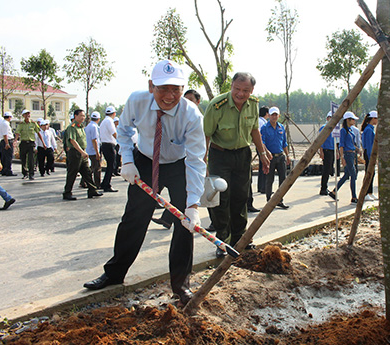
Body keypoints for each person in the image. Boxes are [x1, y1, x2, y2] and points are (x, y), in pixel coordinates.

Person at [83, 60, 206, 307]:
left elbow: (195, 161)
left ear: (183, 88)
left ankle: (181, 286)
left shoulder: (191, 114)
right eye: (163, 89)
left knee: (185, 224)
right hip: (145, 159)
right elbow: (125, 132)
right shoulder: (137, 101)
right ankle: (114, 273)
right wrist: (127, 161)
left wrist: (193, 204)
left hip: (178, 164)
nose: (170, 96)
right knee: (134, 219)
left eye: (176, 89)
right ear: (151, 86)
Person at [204, 72, 270, 258]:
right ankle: (222, 242)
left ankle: (240, 239)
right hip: (220, 155)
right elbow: (206, 135)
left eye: (245, 90)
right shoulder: (217, 106)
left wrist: (262, 153)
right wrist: (203, 161)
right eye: (237, 89)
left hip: (242, 154)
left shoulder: (253, 104)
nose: (240, 94)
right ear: (231, 86)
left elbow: (255, 130)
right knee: (221, 199)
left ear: (252, 91)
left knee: (241, 197)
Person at [151, 89, 203, 230]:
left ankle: (169, 219)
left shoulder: (195, 117)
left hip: (187, 162)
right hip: (157, 162)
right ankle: (167, 219)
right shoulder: (165, 112)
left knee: (185, 201)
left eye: (191, 100)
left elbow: (197, 155)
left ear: (198, 102)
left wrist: (193, 206)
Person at [62, 109, 103, 201]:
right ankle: (67, 192)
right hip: (75, 153)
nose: (83, 118)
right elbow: (73, 141)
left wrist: (84, 152)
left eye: (84, 116)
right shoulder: (72, 127)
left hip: (82, 153)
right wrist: (82, 152)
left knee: (87, 172)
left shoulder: (81, 127)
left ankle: (92, 190)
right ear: (75, 116)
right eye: (81, 115)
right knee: (72, 173)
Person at [261, 106, 291, 209]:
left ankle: (279, 200)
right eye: (272, 115)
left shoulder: (281, 127)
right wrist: (267, 152)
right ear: (268, 115)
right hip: (270, 157)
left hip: (281, 156)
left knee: (283, 179)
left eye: (276, 115)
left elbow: (284, 143)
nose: (274, 117)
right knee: (270, 179)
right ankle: (269, 201)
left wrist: (287, 155)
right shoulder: (264, 128)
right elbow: (262, 142)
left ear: (278, 116)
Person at [329, 112, 359, 203]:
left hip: (352, 154)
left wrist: (357, 149)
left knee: (346, 175)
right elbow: (341, 145)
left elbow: (351, 143)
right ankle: (354, 197)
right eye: (352, 119)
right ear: (347, 120)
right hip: (348, 155)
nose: (354, 121)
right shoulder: (343, 131)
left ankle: (334, 191)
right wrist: (342, 157)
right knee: (353, 175)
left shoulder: (350, 130)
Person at [15, 110, 46, 180]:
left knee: (31, 159)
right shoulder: (21, 124)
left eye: (28, 114)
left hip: (31, 143)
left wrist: (43, 143)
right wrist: (15, 141)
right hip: (23, 143)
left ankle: (31, 174)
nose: (27, 116)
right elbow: (17, 133)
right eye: (26, 114)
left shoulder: (33, 123)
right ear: (23, 116)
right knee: (23, 159)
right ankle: (25, 173)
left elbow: (38, 133)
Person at [100, 106, 118, 193]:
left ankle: (104, 183)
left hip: (104, 145)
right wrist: (121, 141)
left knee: (109, 166)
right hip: (109, 145)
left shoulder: (104, 121)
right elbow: (114, 133)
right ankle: (107, 185)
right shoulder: (110, 121)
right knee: (111, 166)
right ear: (114, 113)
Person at [318, 111, 337, 195]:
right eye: (330, 117)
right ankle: (323, 188)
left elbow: (335, 141)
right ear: (327, 118)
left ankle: (325, 186)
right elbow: (320, 141)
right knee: (326, 170)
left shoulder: (334, 128)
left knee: (329, 169)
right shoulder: (324, 127)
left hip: (332, 150)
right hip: (326, 150)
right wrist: (321, 152)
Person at [361, 110, 378, 201]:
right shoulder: (368, 130)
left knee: (372, 173)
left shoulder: (370, 129)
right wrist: (371, 156)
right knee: (369, 173)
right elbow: (368, 145)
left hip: (370, 153)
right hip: (369, 153)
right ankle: (366, 192)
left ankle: (370, 192)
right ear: (373, 119)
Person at [85, 111, 102, 189]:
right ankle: (97, 184)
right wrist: (97, 152)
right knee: (97, 168)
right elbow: (94, 140)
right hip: (93, 150)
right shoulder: (94, 127)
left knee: (91, 167)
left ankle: (84, 182)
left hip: (88, 150)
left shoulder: (88, 126)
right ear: (98, 119)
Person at [0, 112, 16, 176]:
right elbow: (5, 134)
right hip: (7, 141)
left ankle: (4, 170)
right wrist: (7, 143)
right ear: (9, 117)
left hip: (2, 141)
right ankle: (8, 171)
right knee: (8, 157)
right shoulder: (5, 124)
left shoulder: (1, 123)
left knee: (3, 157)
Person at [257, 106, 269, 194]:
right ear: (266, 114)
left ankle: (261, 187)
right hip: (262, 147)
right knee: (264, 166)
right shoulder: (262, 123)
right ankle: (263, 187)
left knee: (262, 166)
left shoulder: (259, 121)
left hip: (260, 146)